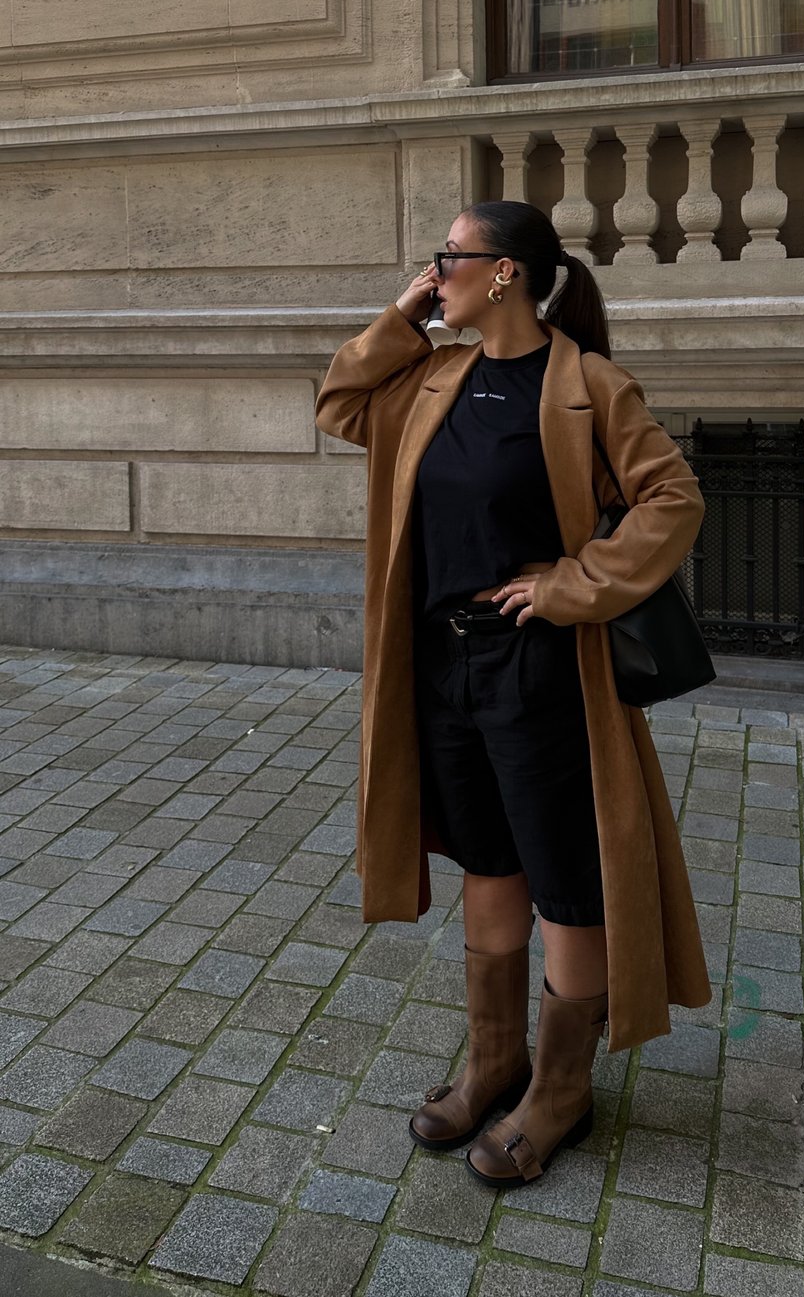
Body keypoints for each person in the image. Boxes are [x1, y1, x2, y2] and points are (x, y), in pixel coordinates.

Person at [315, 200, 710, 1188]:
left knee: (565, 879)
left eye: (449, 257)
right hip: (442, 666)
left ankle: (562, 1089)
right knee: (487, 863)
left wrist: (568, 586)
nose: (435, 269)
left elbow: (674, 497)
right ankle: (497, 1059)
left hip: (541, 670)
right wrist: (403, 316)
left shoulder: (587, 387)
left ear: (505, 276)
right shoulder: (431, 378)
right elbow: (338, 404)